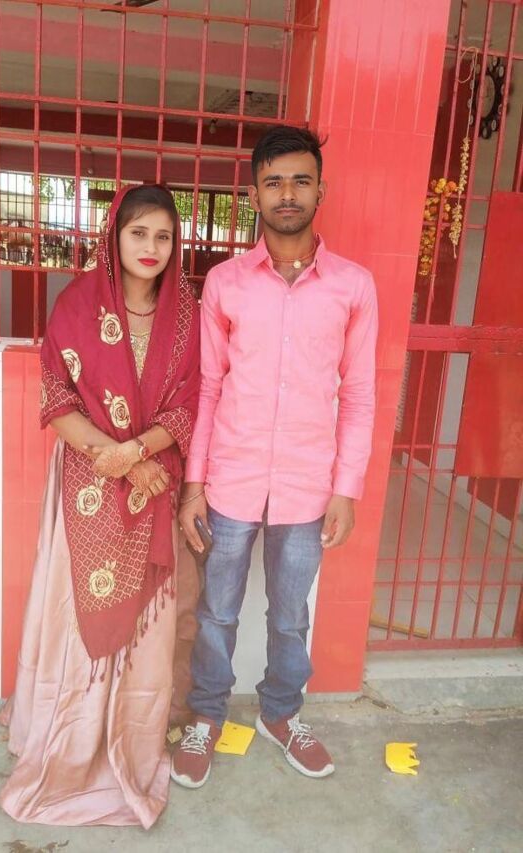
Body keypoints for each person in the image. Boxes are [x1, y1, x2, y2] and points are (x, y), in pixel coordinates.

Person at [173, 125, 378, 788]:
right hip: (231, 478)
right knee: (217, 612)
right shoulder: (226, 283)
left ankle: (282, 712)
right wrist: (194, 485)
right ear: (254, 194)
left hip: (307, 484)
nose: (287, 193)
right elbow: (208, 387)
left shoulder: (353, 286)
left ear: (321, 189)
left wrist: (346, 488)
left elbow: (361, 394)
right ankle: (206, 715)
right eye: (273, 181)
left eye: (299, 180)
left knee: (290, 615)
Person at [0, 184, 200, 828]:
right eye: (138, 233)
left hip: (153, 487)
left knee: (147, 627)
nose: (151, 247)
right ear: (115, 235)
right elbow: (56, 396)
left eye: (163, 236)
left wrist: (138, 452)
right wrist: (118, 457)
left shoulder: (187, 314)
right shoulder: (78, 303)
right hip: (87, 489)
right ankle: (74, 735)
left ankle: (128, 738)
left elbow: (190, 404)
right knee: (77, 615)